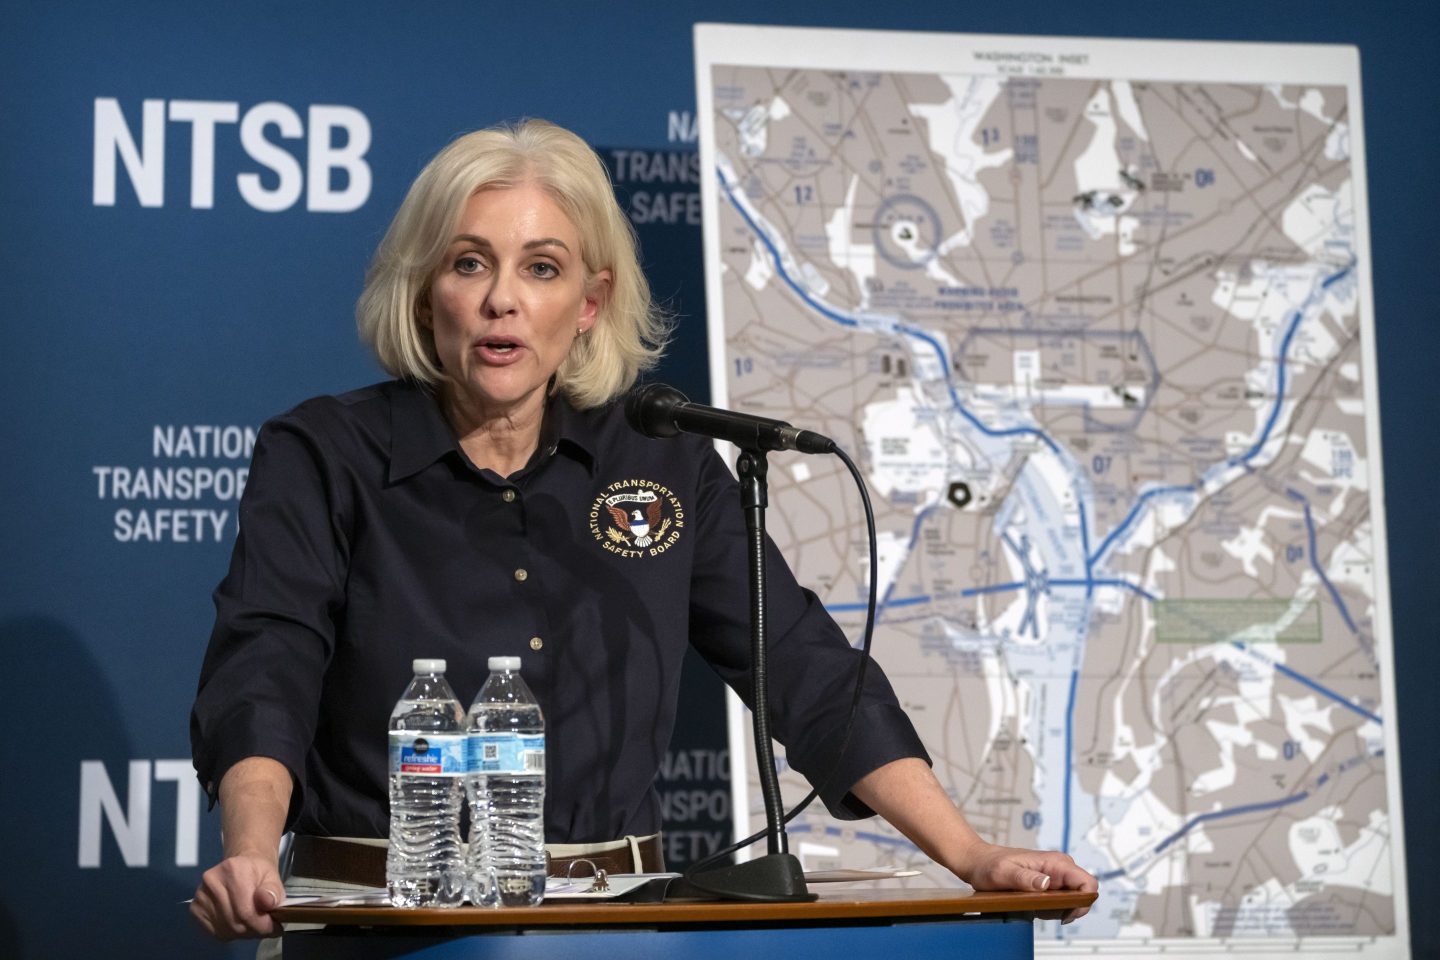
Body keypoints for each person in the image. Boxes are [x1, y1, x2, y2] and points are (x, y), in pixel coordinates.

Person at [188, 119, 1097, 942]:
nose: (504, 298)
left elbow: (805, 666)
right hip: (378, 927)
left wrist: (970, 856)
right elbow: (268, 665)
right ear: (427, 294)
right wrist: (253, 851)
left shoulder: (661, 460)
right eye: (470, 264)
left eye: (541, 268)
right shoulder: (323, 454)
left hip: (609, 928)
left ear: (588, 303)